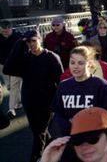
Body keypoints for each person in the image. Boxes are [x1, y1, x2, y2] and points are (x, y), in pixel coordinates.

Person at [3, 30, 64, 162]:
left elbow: (60, 82)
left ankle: (36, 158)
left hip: (47, 102)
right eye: (28, 41)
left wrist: (60, 103)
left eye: (33, 40)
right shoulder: (25, 58)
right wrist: (18, 45)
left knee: (39, 132)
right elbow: (7, 69)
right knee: (38, 130)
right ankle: (55, 148)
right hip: (29, 101)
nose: (31, 44)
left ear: (40, 39)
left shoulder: (51, 57)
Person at [52, 46, 107, 135]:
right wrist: (68, 127)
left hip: (94, 139)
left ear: (89, 63)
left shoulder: (100, 85)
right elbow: (58, 113)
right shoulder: (63, 86)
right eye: (72, 63)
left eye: (80, 63)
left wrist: (100, 134)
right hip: (71, 137)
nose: (75, 67)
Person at [60, 42, 107, 118]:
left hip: (100, 118)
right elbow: (61, 104)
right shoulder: (68, 74)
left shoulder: (106, 69)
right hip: (76, 121)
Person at [0, 20, 23, 118]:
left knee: (14, 86)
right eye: (2, 30)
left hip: (15, 65)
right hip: (2, 65)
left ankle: (11, 109)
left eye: (7, 30)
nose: (5, 33)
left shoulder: (18, 37)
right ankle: (17, 102)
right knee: (9, 86)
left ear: (11, 29)